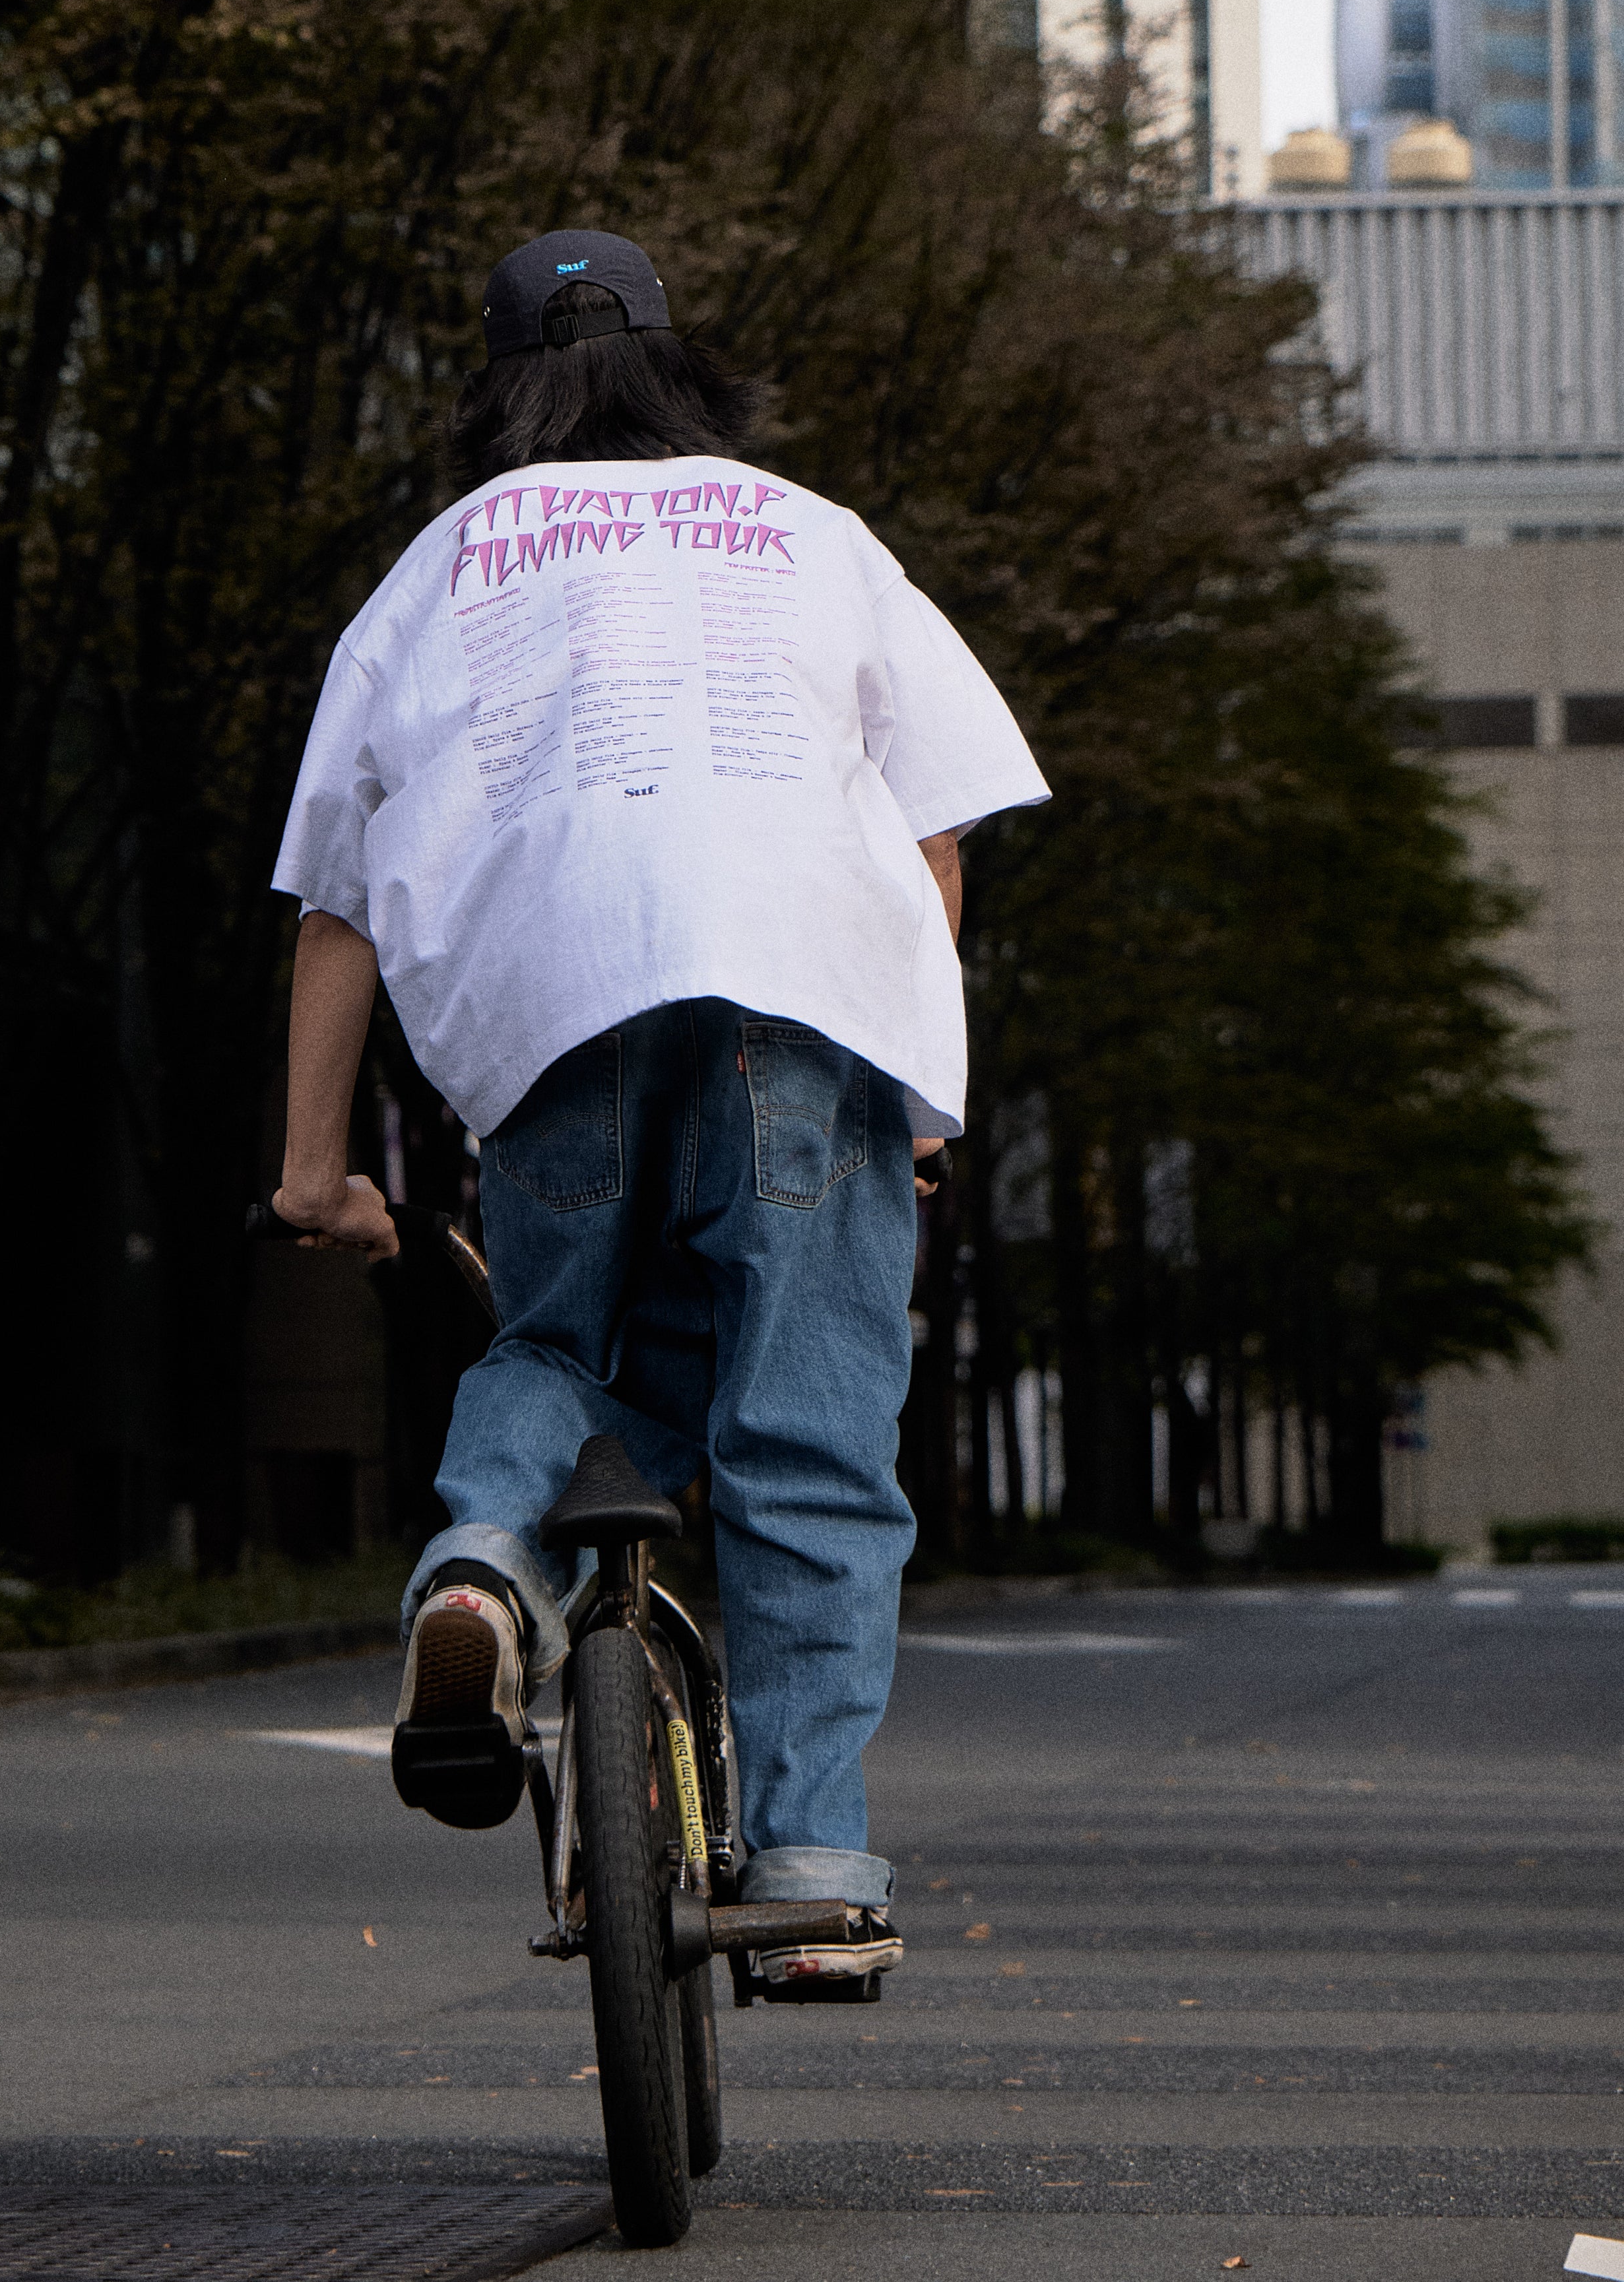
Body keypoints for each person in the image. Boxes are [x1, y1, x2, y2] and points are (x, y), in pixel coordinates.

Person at [269, 228, 1046, 1995]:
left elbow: (336, 899)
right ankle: (817, 1866)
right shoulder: (814, 536)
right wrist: (912, 1090)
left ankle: (481, 1563)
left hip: (560, 1012)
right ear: (681, 372)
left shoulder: (438, 569)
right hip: (808, 1005)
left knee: (558, 1341)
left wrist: (317, 1175)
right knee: (812, 1439)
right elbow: (935, 822)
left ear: (497, 386)